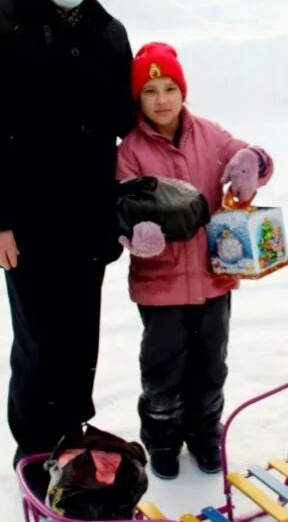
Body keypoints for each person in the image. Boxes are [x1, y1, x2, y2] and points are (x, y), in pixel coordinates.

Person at [0, 0, 136, 494]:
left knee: (81, 334)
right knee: (38, 339)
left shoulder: (109, 33)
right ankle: (34, 450)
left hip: (88, 218)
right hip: (26, 221)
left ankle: (72, 433)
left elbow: (124, 124)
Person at [115, 42, 274, 479]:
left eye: (170, 88)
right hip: (160, 281)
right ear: (138, 99)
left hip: (212, 277)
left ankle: (205, 434)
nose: (162, 99)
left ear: (183, 91)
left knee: (210, 363)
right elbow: (120, 207)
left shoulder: (210, 135)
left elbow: (253, 158)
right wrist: (134, 235)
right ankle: (162, 437)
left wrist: (253, 160)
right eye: (150, 91)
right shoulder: (130, 150)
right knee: (164, 365)